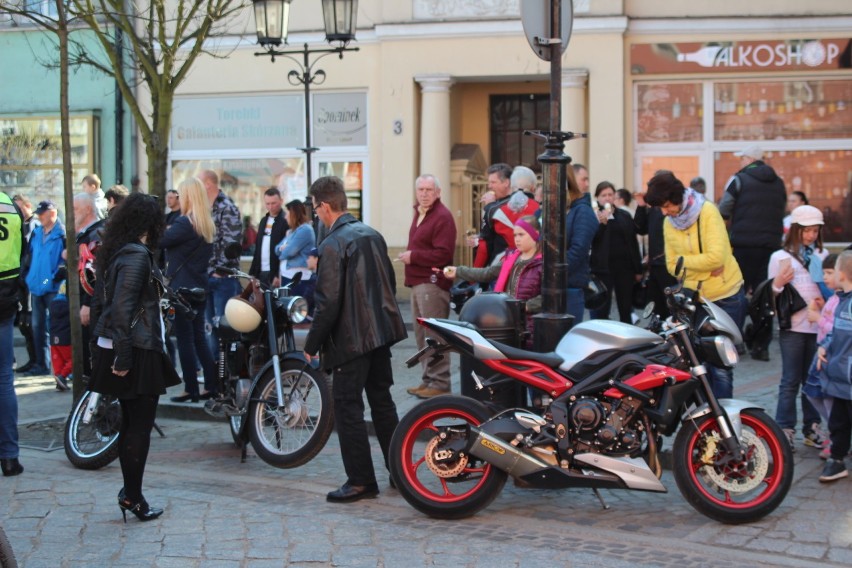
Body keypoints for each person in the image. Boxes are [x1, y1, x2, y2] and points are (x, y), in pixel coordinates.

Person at [304, 176, 406, 504]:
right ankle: (399, 471)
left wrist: (311, 344)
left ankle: (361, 480)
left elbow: (328, 302)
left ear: (323, 205)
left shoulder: (333, 244)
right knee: (382, 402)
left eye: (315, 207)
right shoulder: (372, 235)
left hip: (352, 339)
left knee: (348, 406)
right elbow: (387, 283)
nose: (315, 214)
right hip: (379, 334)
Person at [89, 192, 181, 521]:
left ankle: (131, 493)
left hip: (129, 345)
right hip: (135, 349)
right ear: (151, 222)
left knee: (132, 425)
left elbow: (106, 303)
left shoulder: (120, 251)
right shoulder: (136, 255)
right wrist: (123, 357)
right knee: (138, 427)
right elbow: (120, 307)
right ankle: (133, 496)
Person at [644, 171, 747, 400]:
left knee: (720, 366)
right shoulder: (669, 222)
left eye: (666, 205)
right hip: (695, 298)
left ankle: (723, 423)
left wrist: (688, 263)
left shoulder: (707, 211)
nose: (664, 212)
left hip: (725, 295)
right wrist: (703, 264)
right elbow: (671, 265)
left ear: (677, 197)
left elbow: (718, 258)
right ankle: (706, 419)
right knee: (697, 365)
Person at [767, 205, 829, 452]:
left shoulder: (822, 255)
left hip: (819, 327)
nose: (811, 235)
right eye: (807, 231)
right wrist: (779, 284)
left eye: (815, 231)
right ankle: (785, 429)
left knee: (812, 380)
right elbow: (770, 296)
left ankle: (812, 427)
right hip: (792, 327)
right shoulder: (779, 257)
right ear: (795, 230)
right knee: (790, 380)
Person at [443, 215, 543, 348]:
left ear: (535, 234)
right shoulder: (511, 258)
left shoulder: (543, 262)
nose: (517, 239)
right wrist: (458, 271)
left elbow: (549, 296)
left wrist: (524, 306)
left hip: (532, 326)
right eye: (515, 235)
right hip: (509, 323)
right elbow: (487, 273)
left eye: (521, 234)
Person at [160, 177, 217, 403]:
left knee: (184, 339)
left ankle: (191, 388)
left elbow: (160, 241)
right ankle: (211, 385)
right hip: (199, 287)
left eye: (182, 195)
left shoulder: (184, 223)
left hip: (181, 289)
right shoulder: (205, 223)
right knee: (199, 338)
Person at [399, 174, 456, 399]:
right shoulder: (420, 213)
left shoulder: (442, 217)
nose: (424, 194)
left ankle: (440, 383)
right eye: (420, 189)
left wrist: (413, 257)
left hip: (431, 284)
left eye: (429, 190)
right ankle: (428, 380)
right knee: (423, 336)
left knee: (435, 336)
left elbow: (444, 253)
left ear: (438, 192)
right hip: (418, 282)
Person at [718, 144, 786, 297]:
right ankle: (763, 321)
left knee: (738, 288)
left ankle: (738, 320)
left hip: (744, 245)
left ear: (749, 159)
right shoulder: (779, 182)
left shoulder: (738, 179)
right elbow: (782, 208)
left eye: (742, 158)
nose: (740, 162)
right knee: (764, 291)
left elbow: (723, 209)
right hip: (771, 245)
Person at [816, 251, 852, 482]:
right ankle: (837, 460)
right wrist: (825, 346)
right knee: (838, 421)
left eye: (833, 271)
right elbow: (836, 333)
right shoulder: (841, 301)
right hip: (839, 378)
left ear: (842, 274)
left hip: (848, 377)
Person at [589, 182, 643, 323]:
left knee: (625, 308)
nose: (607, 198)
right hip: (603, 269)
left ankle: (627, 338)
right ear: (597, 198)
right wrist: (601, 224)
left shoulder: (624, 215)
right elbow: (591, 240)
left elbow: (632, 242)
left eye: (610, 194)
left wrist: (638, 269)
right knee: (602, 309)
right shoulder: (593, 216)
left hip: (624, 269)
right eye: (603, 195)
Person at [24, 200, 65, 377]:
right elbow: (30, 255)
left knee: (55, 327)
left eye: (43, 213)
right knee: (37, 326)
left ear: (52, 213)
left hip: (52, 287)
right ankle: (42, 364)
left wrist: (52, 278)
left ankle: (62, 368)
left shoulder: (62, 234)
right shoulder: (37, 232)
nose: (39, 216)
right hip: (36, 286)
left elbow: (64, 263)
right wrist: (28, 276)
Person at [804, 253, 838, 460]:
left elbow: (839, 330)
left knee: (829, 399)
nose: (824, 277)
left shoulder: (844, 301)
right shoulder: (833, 298)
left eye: (829, 273)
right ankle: (836, 430)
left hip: (832, 356)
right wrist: (821, 308)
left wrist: (818, 317)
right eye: (824, 272)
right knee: (812, 392)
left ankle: (837, 434)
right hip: (821, 353)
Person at [1, 191, 25, 477]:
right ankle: (9, 457)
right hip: (4, 299)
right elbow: (22, 251)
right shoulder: (9, 204)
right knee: (4, 379)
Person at [74, 192, 106, 377]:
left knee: (92, 344)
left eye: (76, 209)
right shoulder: (85, 233)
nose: (73, 214)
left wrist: (87, 303)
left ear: (87, 209)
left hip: (91, 301)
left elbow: (94, 272)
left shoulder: (95, 234)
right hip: (84, 300)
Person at [564, 166, 597, 324]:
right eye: (583, 179)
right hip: (557, 285)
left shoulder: (582, 211)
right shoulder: (565, 209)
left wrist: (555, 271)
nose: (587, 184)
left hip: (570, 286)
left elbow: (578, 250)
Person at [12, 194, 37, 373]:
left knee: (33, 324)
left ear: (28, 206)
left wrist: (42, 281)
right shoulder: (20, 227)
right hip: (22, 281)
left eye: (20, 208)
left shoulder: (35, 227)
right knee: (24, 323)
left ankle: (39, 362)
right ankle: (33, 361)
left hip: (35, 283)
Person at [472, 163, 514, 267]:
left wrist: (490, 206)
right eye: (489, 182)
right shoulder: (497, 204)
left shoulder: (497, 207)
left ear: (506, 183)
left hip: (501, 265)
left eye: (493, 182)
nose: (489, 186)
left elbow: (486, 245)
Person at [275, 199, 316, 297]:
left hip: (299, 279)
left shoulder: (305, 230)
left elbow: (288, 253)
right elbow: (276, 249)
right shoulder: (292, 232)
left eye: (287, 213)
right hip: (288, 277)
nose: (285, 217)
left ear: (293, 214)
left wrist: (284, 249)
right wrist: (282, 249)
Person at [248, 187, 288, 287]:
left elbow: (285, 250)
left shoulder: (285, 221)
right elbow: (258, 248)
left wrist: (278, 274)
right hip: (260, 271)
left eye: (273, 203)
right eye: (267, 204)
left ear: (281, 201)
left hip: (276, 273)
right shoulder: (263, 221)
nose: (270, 207)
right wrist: (253, 273)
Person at [49, 281, 72, 391]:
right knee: (73, 360)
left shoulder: (52, 304)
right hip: (66, 338)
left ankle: (59, 380)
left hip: (54, 338)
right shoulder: (70, 306)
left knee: (58, 362)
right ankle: (62, 376)